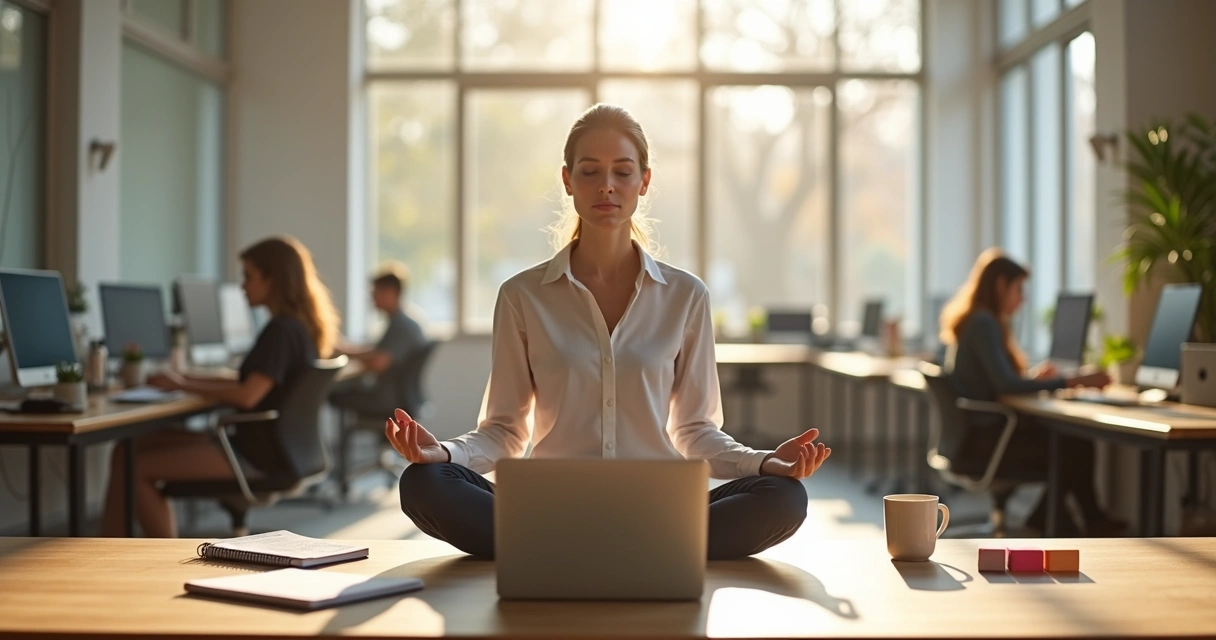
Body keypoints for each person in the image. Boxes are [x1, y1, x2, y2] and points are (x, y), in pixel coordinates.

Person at [384, 104, 831, 561]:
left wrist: (765, 462)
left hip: (659, 506)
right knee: (424, 482)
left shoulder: (685, 295)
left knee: (784, 496)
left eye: (622, 171)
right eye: (590, 171)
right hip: (554, 507)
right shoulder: (522, 296)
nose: (607, 186)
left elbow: (695, 432)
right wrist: (442, 453)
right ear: (567, 180)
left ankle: (563, 554)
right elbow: (504, 432)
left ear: (645, 181)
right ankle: (645, 553)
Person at [101, 236, 340, 537]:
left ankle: (155, 563)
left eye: (248, 277)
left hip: (254, 455)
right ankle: (108, 547)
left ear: (274, 280)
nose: (242, 286)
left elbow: (248, 395)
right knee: (125, 449)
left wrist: (184, 383)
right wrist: (185, 381)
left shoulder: (281, 331)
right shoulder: (297, 328)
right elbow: (253, 382)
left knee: (136, 467)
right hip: (271, 448)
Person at [939, 248, 1125, 535]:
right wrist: (1072, 381)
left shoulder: (975, 320)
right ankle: (1081, 519)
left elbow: (998, 382)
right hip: (987, 442)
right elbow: (1005, 386)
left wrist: (1036, 379)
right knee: (1074, 447)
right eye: (1018, 288)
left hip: (975, 437)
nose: (1022, 298)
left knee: (1069, 443)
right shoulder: (984, 322)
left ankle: (1059, 518)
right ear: (1001, 284)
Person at [331, 262, 429, 416]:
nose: (372, 298)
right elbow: (377, 352)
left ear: (390, 292)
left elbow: (378, 362)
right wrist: (346, 349)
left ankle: (336, 440)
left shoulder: (401, 326)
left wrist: (343, 351)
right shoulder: (403, 322)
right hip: (399, 397)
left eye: (375, 293)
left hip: (390, 400)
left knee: (333, 394)